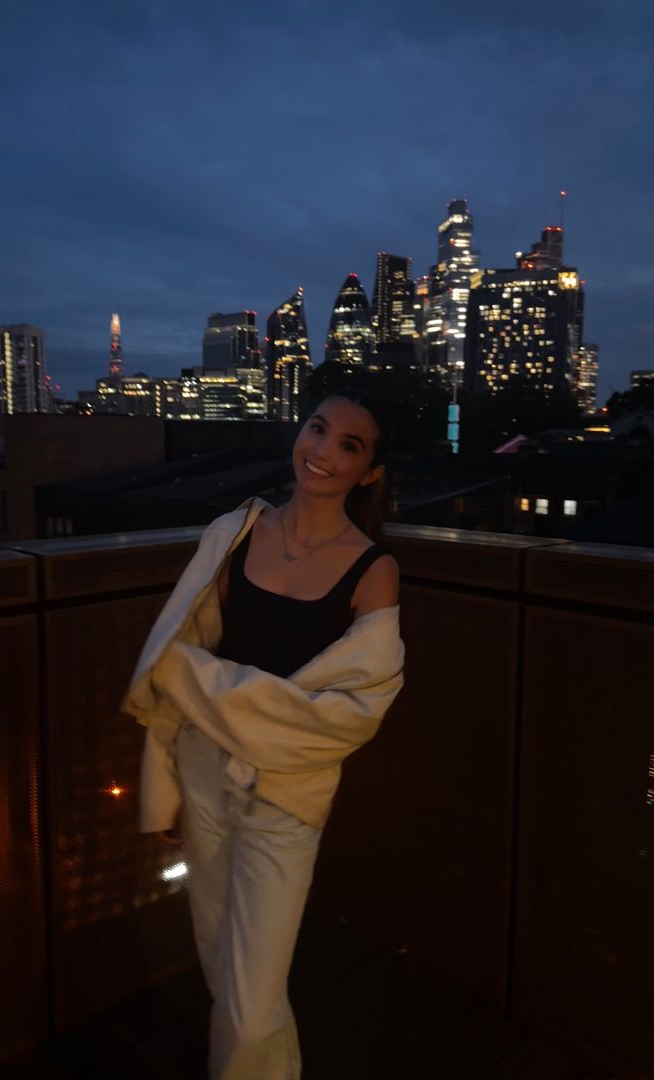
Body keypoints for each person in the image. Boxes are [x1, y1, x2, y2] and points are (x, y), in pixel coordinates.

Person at [121, 387, 405, 1080]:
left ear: (367, 472)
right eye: (317, 429)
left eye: (349, 444)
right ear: (298, 434)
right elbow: (179, 653)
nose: (323, 451)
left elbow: (348, 717)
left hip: (287, 796)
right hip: (203, 769)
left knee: (250, 1002)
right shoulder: (235, 532)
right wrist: (171, 774)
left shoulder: (374, 570)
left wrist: (200, 682)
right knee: (222, 960)